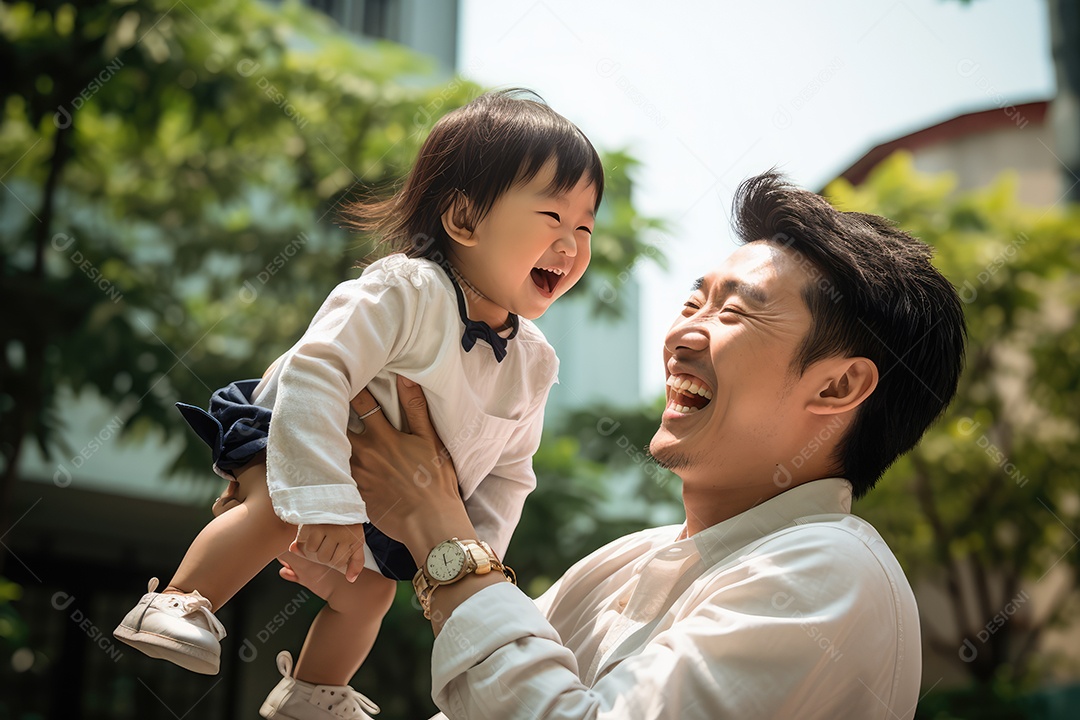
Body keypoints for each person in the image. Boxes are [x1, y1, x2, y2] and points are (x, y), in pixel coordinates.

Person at [293, 171, 966, 719]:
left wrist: (438, 528)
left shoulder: (828, 572)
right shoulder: (622, 563)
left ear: (839, 386)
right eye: (693, 303)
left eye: (734, 312)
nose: (682, 335)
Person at [113, 89, 603, 719]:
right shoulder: (408, 287)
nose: (572, 244)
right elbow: (317, 370)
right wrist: (322, 500)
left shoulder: (534, 363)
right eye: (552, 217)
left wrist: (472, 570)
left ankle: (312, 694)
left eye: (585, 227)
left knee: (369, 595)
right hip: (295, 431)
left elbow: (509, 474)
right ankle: (179, 602)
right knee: (276, 512)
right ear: (464, 219)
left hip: (375, 498)